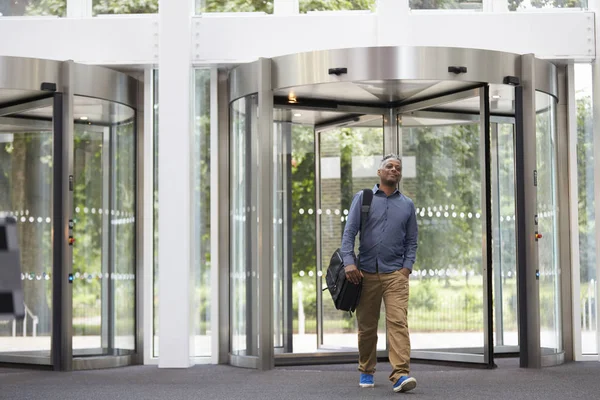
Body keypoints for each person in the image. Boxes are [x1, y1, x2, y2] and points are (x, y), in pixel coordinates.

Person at [340, 154, 418, 393]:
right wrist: (349, 263)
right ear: (380, 172)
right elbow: (349, 233)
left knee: (398, 323)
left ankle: (400, 375)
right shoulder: (363, 199)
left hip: (395, 274)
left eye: (398, 167)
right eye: (389, 166)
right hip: (364, 274)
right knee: (367, 327)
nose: (394, 170)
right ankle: (366, 370)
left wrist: (406, 268)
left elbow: (412, 241)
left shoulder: (407, 204)